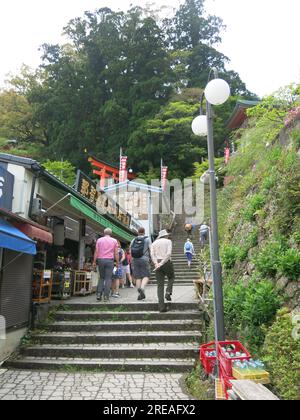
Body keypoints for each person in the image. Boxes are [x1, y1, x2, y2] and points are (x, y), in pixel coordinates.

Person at [151, 229, 175, 313]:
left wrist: (156, 263)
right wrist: (162, 263)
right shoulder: (168, 241)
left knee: (160, 285)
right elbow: (168, 254)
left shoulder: (154, 243)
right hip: (166, 262)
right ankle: (168, 292)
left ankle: (161, 307)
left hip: (157, 262)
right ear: (166, 235)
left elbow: (152, 255)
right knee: (171, 277)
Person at [93, 228, 119, 302]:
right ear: (111, 234)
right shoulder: (114, 241)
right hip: (110, 261)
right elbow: (116, 253)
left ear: (104, 233)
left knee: (101, 277)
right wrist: (117, 262)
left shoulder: (99, 240)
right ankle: (106, 296)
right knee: (108, 278)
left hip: (100, 260)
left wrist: (94, 261)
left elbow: (96, 251)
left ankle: (98, 294)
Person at [130, 227, 151, 301]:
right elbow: (150, 249)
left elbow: (130, 251)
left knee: (138, 277)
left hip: (135, 259)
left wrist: (131, 260)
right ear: (144, 232)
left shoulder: (133, 240)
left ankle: (139, 294)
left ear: (138, 232)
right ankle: (142, 288)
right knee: (146, 275)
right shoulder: (147, 239)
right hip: (144, 259)